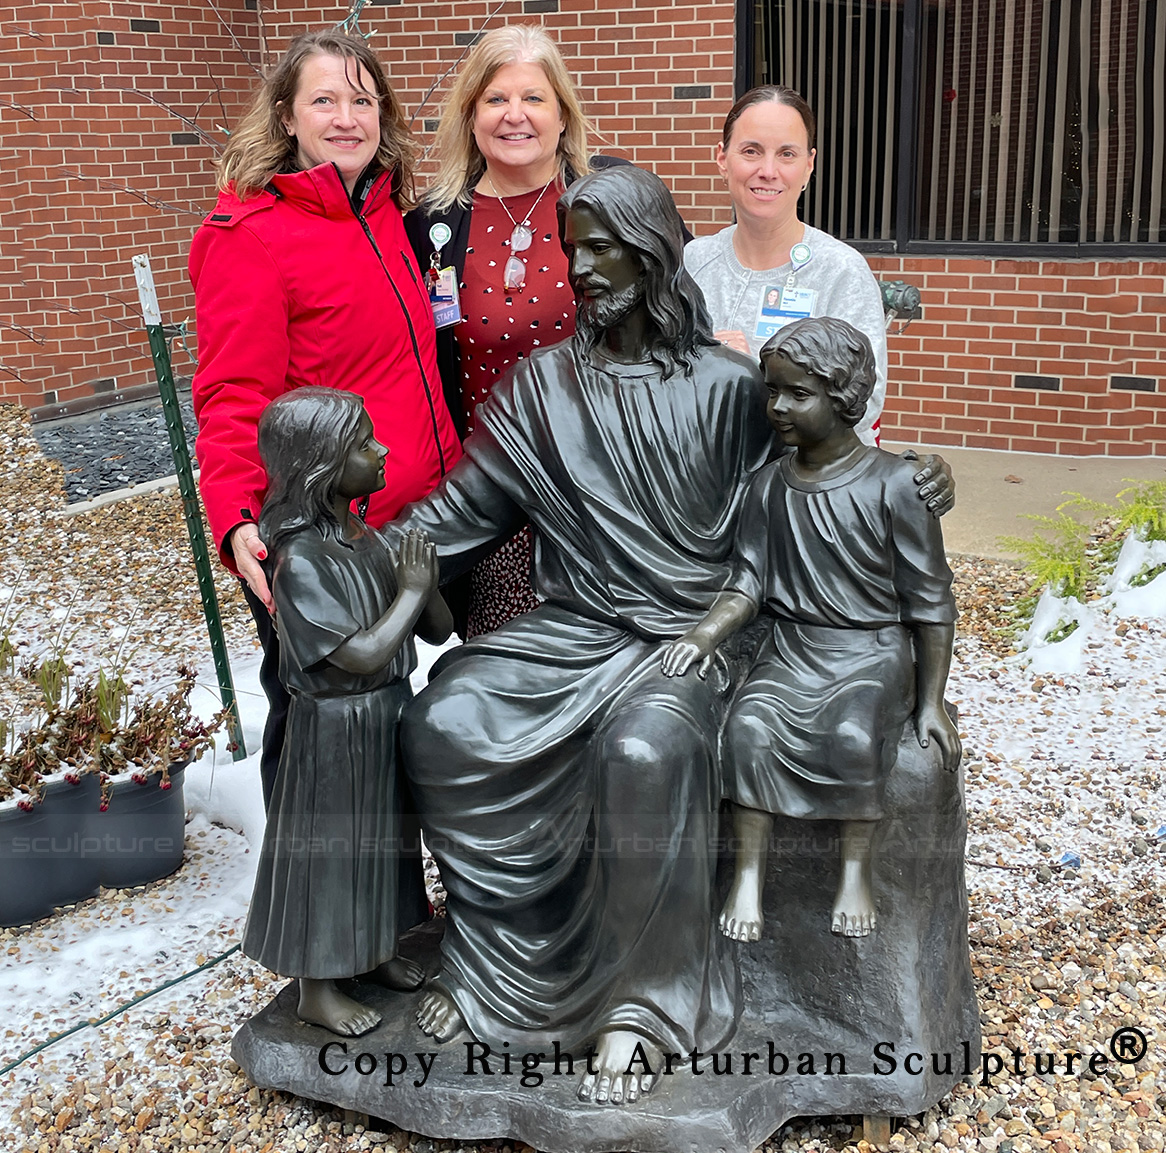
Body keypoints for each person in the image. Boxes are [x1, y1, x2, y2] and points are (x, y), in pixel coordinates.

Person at [393, 165, 767, 1105]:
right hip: (577, 629)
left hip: (692, 637)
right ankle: (492, 971)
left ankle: (647, 1004)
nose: (584, 269)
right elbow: (461, 511)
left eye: (602, 248)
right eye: (573, 250)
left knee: (643, 750)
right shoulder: (543, 387)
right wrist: (351, 552)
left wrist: (906, 486)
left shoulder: (731, 388)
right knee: (445, 721)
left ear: (653, 252)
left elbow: (803, 501)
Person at [189, 30, 461, 804]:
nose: (347, 118)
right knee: (318, 734)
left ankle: (392, 872)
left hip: (412, 515)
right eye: (324, 100)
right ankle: (302, 877)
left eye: (363, 100)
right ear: (286, 116)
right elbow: (233, 394)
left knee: (393, 716)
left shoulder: (386, 215)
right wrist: (238, 518)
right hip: (325, 538)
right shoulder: (251, 237)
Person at [661, 317, 960, 944]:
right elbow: (746, 584)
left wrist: (931, 701)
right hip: (792, 650)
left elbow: (931, 600)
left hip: (870, 652)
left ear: (844, 397)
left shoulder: (896, 484)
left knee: (853, 733)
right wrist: (702, 636)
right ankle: (748, 876)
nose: (778, 407)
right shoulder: (766, 486)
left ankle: (854, 873)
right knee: (748, 728)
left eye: (799, 394)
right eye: (772, 391)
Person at [404, 24, 627, 637]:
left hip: (607, 492)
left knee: (611, 664)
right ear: (471, 115)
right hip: (493, 497)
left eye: (533, 98)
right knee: (503, 671)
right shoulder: (431, 226)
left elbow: (672, 310)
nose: (514, 115)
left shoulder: (610, 197)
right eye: (496, 99)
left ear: (563, 114)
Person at [244, 387, 453, 1037]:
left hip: (387, 713)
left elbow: (438, 629)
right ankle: (318, 987)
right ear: (321, 465)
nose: (381, 450)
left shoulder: (368, 538)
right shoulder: (301, 560)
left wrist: (425, 583)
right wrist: (410, 592)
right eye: (364, 444)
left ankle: (376, 948)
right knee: (332, 855)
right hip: (334, 729)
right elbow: (360, 654)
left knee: (386, 844)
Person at [685, 85, 889, 445]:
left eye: (786, 154)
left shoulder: (840, 272)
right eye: (751, 151)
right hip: (700, 469)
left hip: (797, 477)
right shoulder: (693, 262)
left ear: (808, 165)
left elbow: (862, 405)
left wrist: (750, 373)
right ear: (722, 158)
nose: (768, 171)